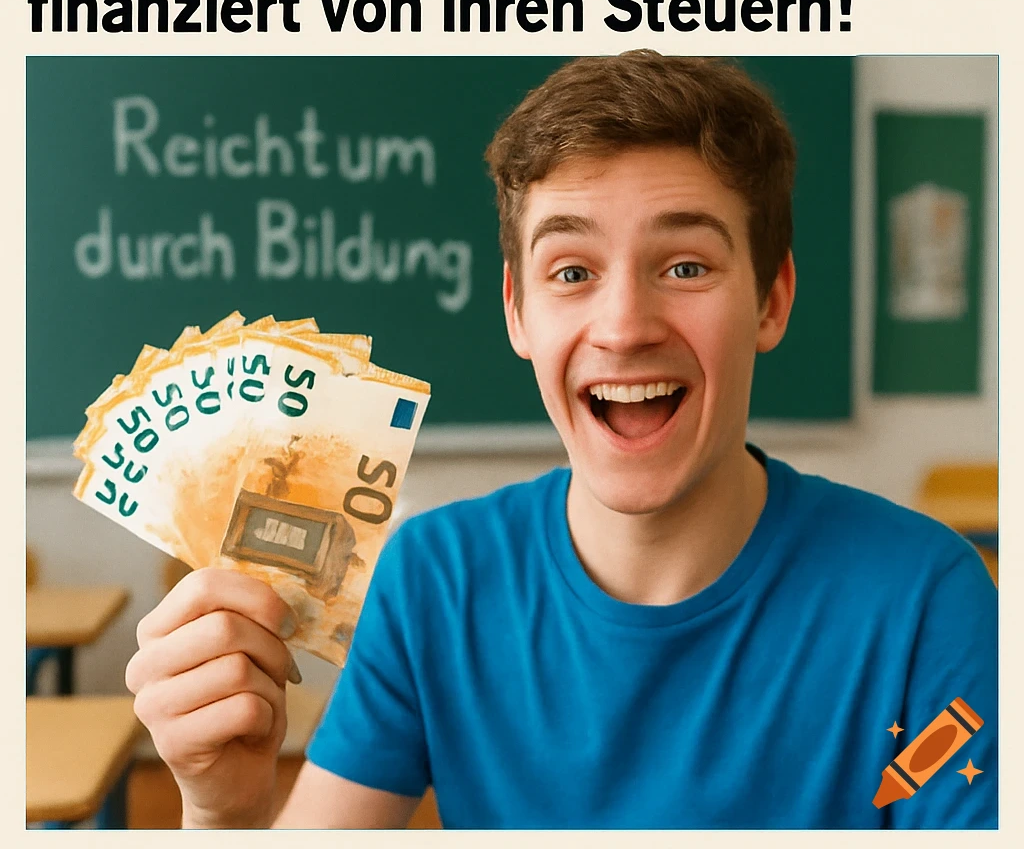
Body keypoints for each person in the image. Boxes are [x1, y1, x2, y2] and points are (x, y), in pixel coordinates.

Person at [127, 52, 997, 829]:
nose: (623, 325)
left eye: (686, 266)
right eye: (572, 272)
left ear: (770, 300)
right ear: (518, 310)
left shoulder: (925, 601)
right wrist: (224, 811)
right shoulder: (439, 579)